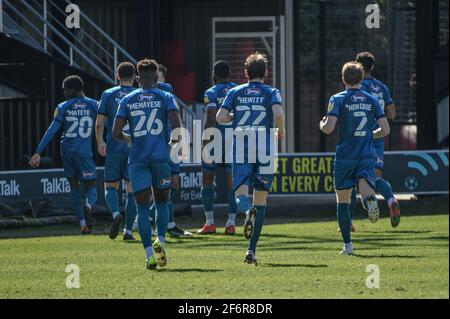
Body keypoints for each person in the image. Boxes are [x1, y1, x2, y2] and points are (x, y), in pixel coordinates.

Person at [113, 59, 182, 270]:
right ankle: (160, 240)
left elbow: (116, 133)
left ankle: (149, 255)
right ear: (156, 77)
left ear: (137, 78)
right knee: (162, 203)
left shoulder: (127, 99)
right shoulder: (166, 96)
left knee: (142, 208)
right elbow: (177, 127)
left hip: (137, 160)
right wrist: (170, 145)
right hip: (160, 158)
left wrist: (129, 140)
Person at [216, 52, 285, 265]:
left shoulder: (235, 92)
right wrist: (280, 131)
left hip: (242, 148)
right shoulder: (271, 91)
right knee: (261, 199)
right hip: (265, 148)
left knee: (240, 193)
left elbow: (220, 117)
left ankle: (246, 212)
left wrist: (234, 116)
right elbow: (278, 113)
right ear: (266, 72)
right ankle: (251, 250)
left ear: (245, 72)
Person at [320, 62, 390, 255]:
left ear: (343, 79)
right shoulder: (371, 99)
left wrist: (321, 124)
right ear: (361, 79)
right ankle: (370, 201)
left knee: (342, 200)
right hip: (367, 154)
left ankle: (348, 246)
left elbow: (329, 128)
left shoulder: (337, 99)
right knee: (365, 187)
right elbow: (385, 130)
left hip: (345, 156)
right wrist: (369, 134)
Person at [30, 76, 98, 234]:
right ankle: (88, 206)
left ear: (74, 89)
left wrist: (38, 152)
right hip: (84, 153)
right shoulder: (95, 105)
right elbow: (104, 125)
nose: (64, 92)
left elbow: (51, 130)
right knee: (91, 185)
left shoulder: (63, 106)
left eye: (66, 89)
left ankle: (82, 224)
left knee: (74, 187)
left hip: (66, 151)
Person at [354, 52, 401, 228]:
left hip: (361, 138)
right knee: (375, 178)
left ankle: (348, 221)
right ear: (372, 67)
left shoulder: (356, 86)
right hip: (379, 137)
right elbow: (393, 114)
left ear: (357, 65)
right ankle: (390, 200)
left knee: (357, 180)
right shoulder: (381, 87)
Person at [147, 63, 192, 238]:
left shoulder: (165, 90)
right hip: (158, 146)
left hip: (169, 143)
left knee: (171, 184)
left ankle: (169, 223)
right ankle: (147, 219)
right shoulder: (155, 91)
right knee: (164, 185)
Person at [96, 62, 137, 241]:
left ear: (117, 76)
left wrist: (100, 142)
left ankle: (114, 214)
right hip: (134, 148)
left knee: (110, 186)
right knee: (131, 190)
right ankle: (128, 231)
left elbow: (99, 123)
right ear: (135, 77)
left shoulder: (108, 94)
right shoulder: (139, 94)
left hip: (113, 146)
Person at [198, 60, 238, 235]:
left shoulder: (211, 92)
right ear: (229, 74)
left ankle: (210, 222)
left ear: (213, 75)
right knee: (233, 183)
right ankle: (231, 223)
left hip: (215, 140)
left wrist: (205, 141)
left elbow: (211, 119)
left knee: (207, 179)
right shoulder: (237, 90)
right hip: (234, 140)